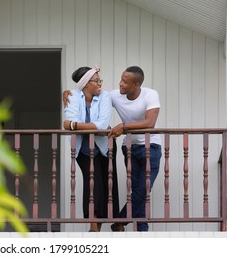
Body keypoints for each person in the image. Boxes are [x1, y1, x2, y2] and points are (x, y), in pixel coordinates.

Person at [63, 66, 162, 232]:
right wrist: (67, 92)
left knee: (142, 187)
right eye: (121, 80)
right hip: (123, 147)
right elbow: (84, 99)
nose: (120, 84)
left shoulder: (149, 94)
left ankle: (121, 221)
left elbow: (148, 123)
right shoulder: (109, 95)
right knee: (135, 189)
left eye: (125, 81)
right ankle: (132, 228)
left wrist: (123, 126)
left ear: (136, 85)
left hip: (143, 146)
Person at [63, 66, 119, 232]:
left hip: (104, 146)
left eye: (99, 80)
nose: (100, 83)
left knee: (107, 184)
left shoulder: (105, 96)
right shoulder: (72, 97)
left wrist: (73, 125)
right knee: (92, 183)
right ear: (86, 84)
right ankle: (93, 227)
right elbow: (71, 117)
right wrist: (77, 124)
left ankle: (102, 225)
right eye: (96, 80)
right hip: (83, 149)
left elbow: (101, 126)